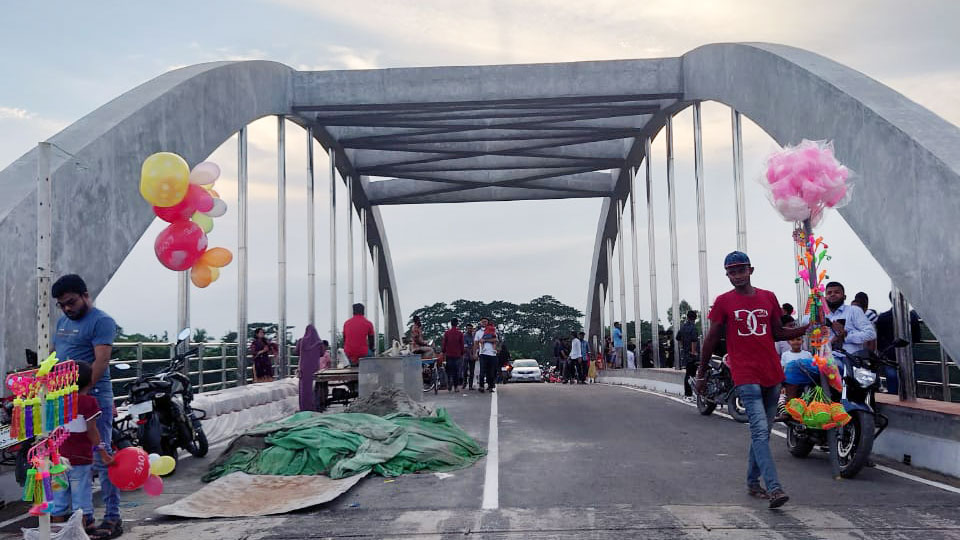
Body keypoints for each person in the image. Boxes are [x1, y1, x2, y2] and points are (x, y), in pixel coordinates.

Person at [695, 252, 808, 509]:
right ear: (727, 275)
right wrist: (701, 373)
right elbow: (711, 339)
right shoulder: (723, 302)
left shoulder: (768, 297)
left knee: (763, 433)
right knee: (758, 430)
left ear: (751, 270)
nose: (736, 276)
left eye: (740, 270)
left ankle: (752, 482)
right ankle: (775, 488)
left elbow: (778, 332)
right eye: (731, 272)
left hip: (771, 372)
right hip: (745, 373)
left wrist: (806, 328)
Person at [51, 274, 123, 538]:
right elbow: (55, 356)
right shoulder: (61, 322)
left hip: (92, 398)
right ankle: (79, 518)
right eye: (62, 305)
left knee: (101, 456)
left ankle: (113, 517)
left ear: (84, 295)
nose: (67, 308)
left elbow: (101, 362)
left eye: (70, 302)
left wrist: (82, 397)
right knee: (67, 459)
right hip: (64, 400)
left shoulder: (101, 321)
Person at [50, 362, 114, 534]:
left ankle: (57, 530)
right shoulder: (88, 402)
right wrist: (102, 451)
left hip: (57, 459)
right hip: (81, 459)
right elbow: (92, 431)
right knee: (81, 494)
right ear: (89, 382)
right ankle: (85, 529)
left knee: (59, 494)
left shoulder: (56, 401)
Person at [875, 292, 922, 394]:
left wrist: (886, 351)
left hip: (889, 357)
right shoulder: (912, 316)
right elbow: (917, 337)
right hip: (908, 355)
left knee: (893, 386)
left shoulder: (883, 317)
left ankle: (894, 405)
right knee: (911, 387)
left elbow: (879, 340)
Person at [824, 282, 877, 358]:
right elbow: (806, 324)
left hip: (849, 360)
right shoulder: (822, 315)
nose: (832, 294)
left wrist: (846, 337)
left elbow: (871, 334)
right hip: (826, 360)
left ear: (844, 297)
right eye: (829, 293)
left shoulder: (854, 311)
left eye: (837, 292)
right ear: (825, 297)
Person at [295, 325, 325, 412]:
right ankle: (315, 406)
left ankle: (304, 407)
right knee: (315, 387)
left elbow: (296, 352)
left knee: (304, 388)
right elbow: (322, 354)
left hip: (304, 368)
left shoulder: (301, 341)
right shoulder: (319, 343)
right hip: (314, 368)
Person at [678, 310, 701, 402]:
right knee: (692, 374)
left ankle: (688, 394)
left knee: (688, 374)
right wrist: (693, 351)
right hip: (692, 354)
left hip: (686, 353)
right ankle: (690, 394)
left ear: (687, 317)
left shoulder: (682, 327)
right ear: (695, 318)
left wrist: (683, 347)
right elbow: (694, 340)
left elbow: (678, 338)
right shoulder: (693, 328)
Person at [474, 317, 498, 393]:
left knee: (491, 371)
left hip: (492, 354)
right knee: (482, 371)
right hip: (483, 354)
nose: (484, 323)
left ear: (488, 322)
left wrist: (485, 340)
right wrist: (475, 353)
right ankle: (481, 386)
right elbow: (476, 344)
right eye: (483, 322)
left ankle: (491, 386)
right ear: (480, 323)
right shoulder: (478, 332)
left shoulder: (492, 330)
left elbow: (495, 340)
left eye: (486, 322)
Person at [441, 318, 465, 392]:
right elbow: (462, 345)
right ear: (457, 324)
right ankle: (456, 387)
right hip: (457, 355)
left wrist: (443, 351)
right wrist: (462, 353)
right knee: (456, 371)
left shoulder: (447, 333)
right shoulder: (460, 333)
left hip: (449, 354)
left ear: (451, 324)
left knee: (449, 370)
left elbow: (444, 343)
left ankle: (449, 383)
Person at [462, 323, 476, 389]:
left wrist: (474, 354)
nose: (470, 330)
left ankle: (470, 385)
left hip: (473, 355)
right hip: (466, 356)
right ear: (466, 329)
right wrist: (470, 354)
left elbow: (475, 346)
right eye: (468, 328)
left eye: (471, 328)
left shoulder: (474, 336)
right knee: (465, 370)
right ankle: (464, 383)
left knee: (472, 371)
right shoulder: (464, 336)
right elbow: (465, 347)